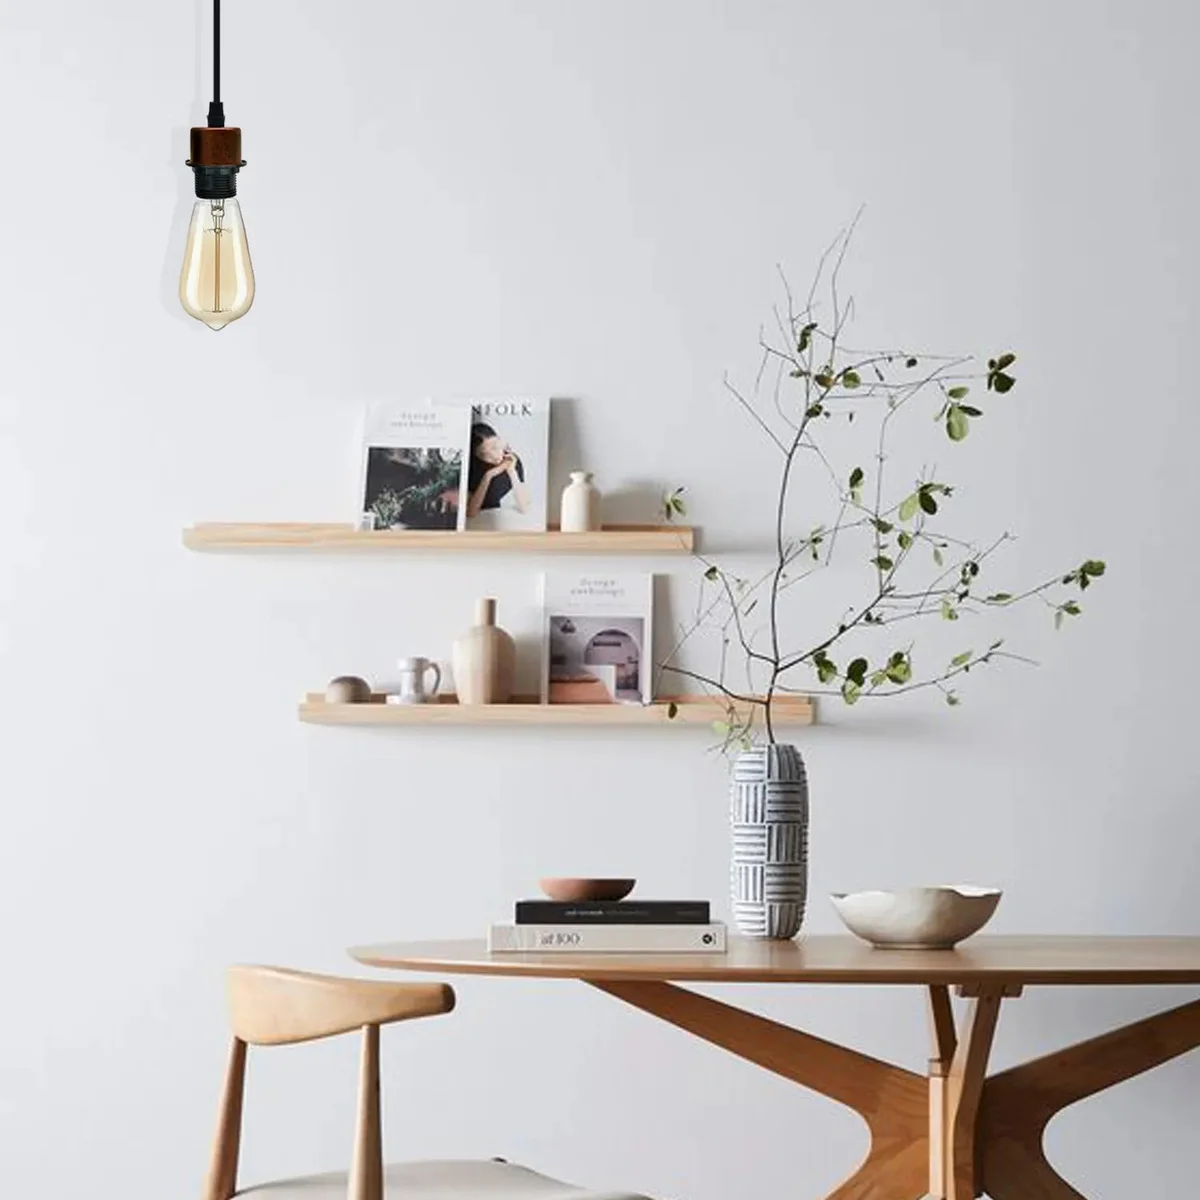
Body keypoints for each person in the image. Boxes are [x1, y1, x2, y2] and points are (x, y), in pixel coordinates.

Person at [466, 422, 529, 517]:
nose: (494, 456)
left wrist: (512, 471)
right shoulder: (472, 468)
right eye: (484, 454)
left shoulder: (512, 459)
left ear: (499, 440)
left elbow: (524, 507)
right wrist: (488, 476)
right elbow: (471, 513)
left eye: (494, 447)